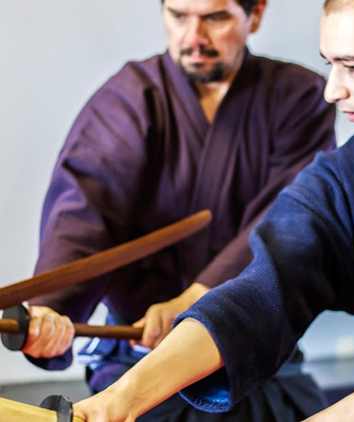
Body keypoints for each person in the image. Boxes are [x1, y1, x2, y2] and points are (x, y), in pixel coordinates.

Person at [68, 0, 354, 421]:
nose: (332, 90)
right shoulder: (342, 180)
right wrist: (122, 397)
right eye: (329, 65)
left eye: (350, 66)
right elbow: (262, 291)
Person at [21, 0, 336, 420]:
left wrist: (197, 301)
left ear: (255, 14)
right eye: (178, 15)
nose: (193, 37)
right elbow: (85, 204)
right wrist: (50, 308)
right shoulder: (130, 97)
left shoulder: (299, 98)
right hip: (137, 355)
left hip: (257, 356)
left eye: (215, 17)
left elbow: (287, 219)